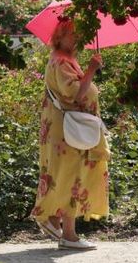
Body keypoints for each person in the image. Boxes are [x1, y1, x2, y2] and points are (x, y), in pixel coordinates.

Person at [31, 17, 110, 250]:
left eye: (79, 35)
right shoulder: (62, 61)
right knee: (71, 176)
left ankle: (52, 218)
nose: (77, 39)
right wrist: (92, 70)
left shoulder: (65, 59)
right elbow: (75, 93)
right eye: (72, 34)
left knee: (63, 174)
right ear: (60, 36)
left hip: (63, 127)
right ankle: (68, 235)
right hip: (67, 131)